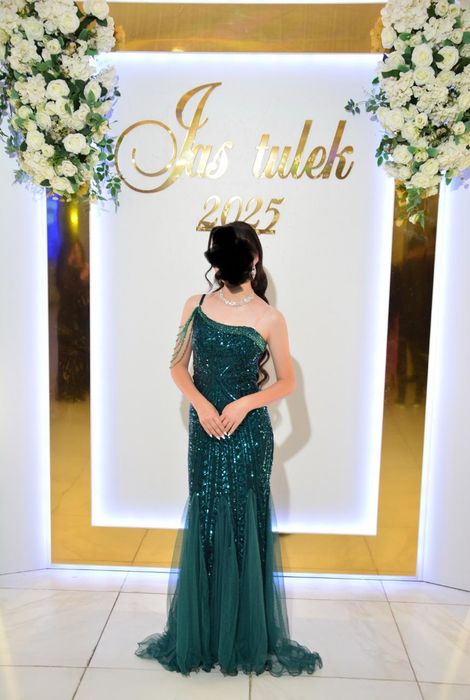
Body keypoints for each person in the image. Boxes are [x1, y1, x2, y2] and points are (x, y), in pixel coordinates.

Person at [135, 221, 323, 676]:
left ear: (250, 260)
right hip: (205, 431)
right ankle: (204, 633)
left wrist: (244, 403)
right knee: (206, 521)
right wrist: (201, 405)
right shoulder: (195, 305)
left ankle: (242, 635)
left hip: (249, 436)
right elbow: (177, 366)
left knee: (243, 524)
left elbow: (287, 382)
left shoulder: (270, 317)